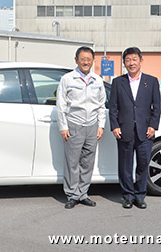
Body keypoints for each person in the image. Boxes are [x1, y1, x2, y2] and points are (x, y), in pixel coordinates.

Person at [109, 47, 161, 209]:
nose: (131, 63)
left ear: (141, 61)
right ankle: (128, 196)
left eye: (134, 59)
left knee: (143, 164)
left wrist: (153, 125)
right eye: (128, 60)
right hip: (124, 131)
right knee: (125, 165)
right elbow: (113, 108)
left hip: (145, 131)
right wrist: (115, 126)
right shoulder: (118, 82)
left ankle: (140, 195)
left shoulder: (151, 81)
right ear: (124, 63)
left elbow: (157, 107)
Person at [56, 46, 107, 209]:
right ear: (76, 60)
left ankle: (83, 193)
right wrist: (63, 126)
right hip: (74, 125)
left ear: (93, 61)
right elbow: (61, 104)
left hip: (92, 126)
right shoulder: (68, 79)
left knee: (87, 162)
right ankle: (72, 195)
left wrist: (101, 125)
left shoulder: (97, 80)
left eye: (89, 59)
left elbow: (101, 105)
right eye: (82, 59)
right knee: (72, 162)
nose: (86, 62)